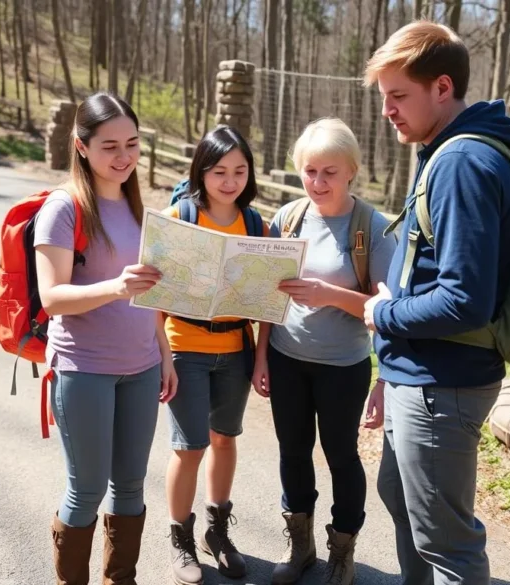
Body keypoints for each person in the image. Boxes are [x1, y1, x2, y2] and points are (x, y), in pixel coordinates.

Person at [361, 21, 510, 585]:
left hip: (443, 382)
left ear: (441, 88)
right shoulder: (449, 153)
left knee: (448, 545)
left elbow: (464, 300)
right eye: (384, 97)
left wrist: (381, 313)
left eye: (399, 95)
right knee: (401, 497)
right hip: (425, 374)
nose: (388, 110)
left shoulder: (461, 164)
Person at [33, 92, 178, 585]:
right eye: (109, 146)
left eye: (133, 144)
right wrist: (115, 286)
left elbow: (150, 296)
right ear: (81, 146)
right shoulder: (63, 208)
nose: (123, 157)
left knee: (132, 486)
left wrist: (165, 354)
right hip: (83, 369)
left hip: (140, 368)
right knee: (87, 489)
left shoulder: (143, 211)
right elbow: (51, 298)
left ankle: (121, 579)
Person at [257, 117, 396, 585]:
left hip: (343, 368)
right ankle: (301, 547)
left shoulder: (372, 228)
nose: (318, 182)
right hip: (285, 357)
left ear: (351, 170)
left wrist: (330, 294)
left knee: (341, 456)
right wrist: (261, 357)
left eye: (329, 172)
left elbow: (386, 311)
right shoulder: (288, 218)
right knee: (292, 453)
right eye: (310, 171)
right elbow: (267, 298)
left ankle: (342, 553)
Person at [160, 126, 268, 585]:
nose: (230, 181)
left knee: (224, 439)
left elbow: (268, 305)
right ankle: (180, 539)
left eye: (240, 171)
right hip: (185, 348)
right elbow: (153, 297)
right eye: (219, 171)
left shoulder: (258, 225)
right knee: (190, 447)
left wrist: (262, 361)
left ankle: (216, 532)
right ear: (201, 172)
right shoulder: (179, 216)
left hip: (237, 350)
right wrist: (163, 358)